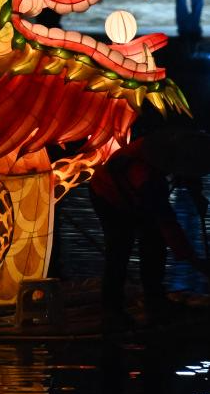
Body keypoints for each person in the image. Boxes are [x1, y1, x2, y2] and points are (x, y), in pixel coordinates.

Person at [89, 136, 210, 328]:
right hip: (108, 195)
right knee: (120, 250)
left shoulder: (177, 151)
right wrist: (195, 262)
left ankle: (155, 299)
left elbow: (189, 176)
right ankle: (112, 309)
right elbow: (167, 223)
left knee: (155, 245)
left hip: (135, 193)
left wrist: (198, 198)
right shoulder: (147, 177)